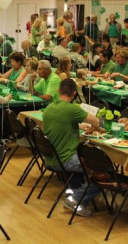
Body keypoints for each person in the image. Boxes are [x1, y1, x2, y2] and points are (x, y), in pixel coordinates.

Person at [43, 78, 101, 217]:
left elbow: (64, 123)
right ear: (74, 93)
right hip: (65, 159)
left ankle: (73, 192)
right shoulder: (72, 109)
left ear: (58, 91)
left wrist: (80, 126)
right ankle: (75, 199)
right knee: (104, 171)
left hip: (50, 157)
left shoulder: (49, 107)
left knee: (82, 161)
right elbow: (96, 121)